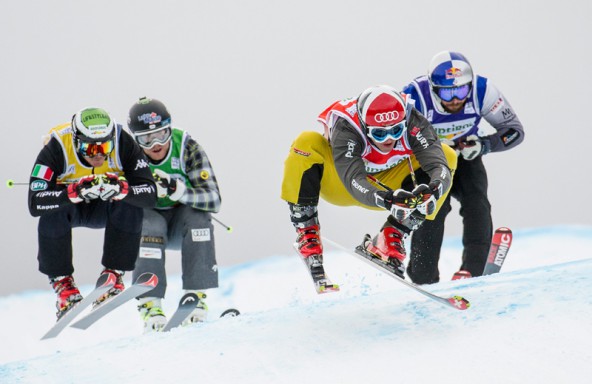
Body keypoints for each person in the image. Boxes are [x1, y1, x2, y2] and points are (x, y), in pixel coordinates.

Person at [281, 85, 457, 282]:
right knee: (306, 141)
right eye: (380, 134)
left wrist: (434, 189)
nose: (389, 139)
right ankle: (307, 232)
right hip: (343, 184)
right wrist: (386, 199)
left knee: (448, 155)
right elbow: (353, 178)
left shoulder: (413, 120)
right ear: (365, 127)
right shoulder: (348, 126)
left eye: (396, 131)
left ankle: (391, 236)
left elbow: (438, 164)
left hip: (390, 187)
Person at [402, 51, 524, 284]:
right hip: (429, 161)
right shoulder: (413, 95)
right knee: (435, 207)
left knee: (476, 201)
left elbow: (515, 131)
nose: (456, 99)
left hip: (465, 155)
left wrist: (484, 145)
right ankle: (423, 275)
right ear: (434, 89)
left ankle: (473, 269)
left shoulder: (483, 91)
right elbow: (391, 137)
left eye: (461, 90)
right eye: (448, 92)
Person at [28, 107, 157, 320]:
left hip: (106, 208)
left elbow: (150, 194)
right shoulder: (57, 147)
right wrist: (71, 192)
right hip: (72, 209)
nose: (98, 155)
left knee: (130, 202)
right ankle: (63, 285)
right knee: (51, 211)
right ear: (77, 141)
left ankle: (114, 274)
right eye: (90, 148)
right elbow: (34, 203)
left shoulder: (122, 141)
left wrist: (123, 189)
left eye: (105, 146)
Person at [127, 97, 221, 332]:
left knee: (200, 216)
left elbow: (214, 199)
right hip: (151, 223)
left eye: (161, 134)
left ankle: (195, 295)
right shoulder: (128, 154)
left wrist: (180, 191)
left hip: (181, 225)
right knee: (148, 223)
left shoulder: (186, 147)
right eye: (146, 139)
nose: (156, 144)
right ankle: (150, 303)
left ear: (170, 129)